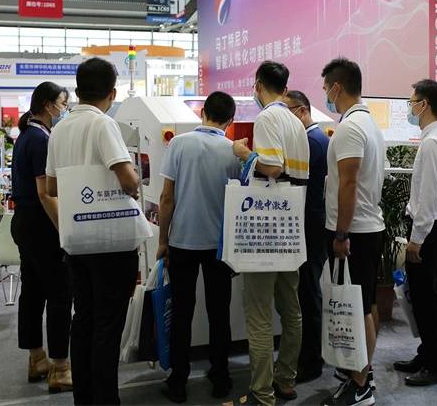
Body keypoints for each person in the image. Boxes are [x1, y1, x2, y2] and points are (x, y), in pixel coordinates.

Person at [45, 58, 141, 405]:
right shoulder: (103, 124)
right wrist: (131, 177)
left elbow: (52, 187)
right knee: (107, 326)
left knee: (83, 320)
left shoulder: (60, 128)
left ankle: (84, 398)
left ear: (77, 90)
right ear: (112, 93)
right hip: (110, 241)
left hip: (76, 240)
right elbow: (129, 181)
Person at [232, 61, 310, 406]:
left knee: (260, 315)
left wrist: (245, 154)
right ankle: (286, 380)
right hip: (292, 228)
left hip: (266, 230)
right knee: (291, 310)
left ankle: (262, 393)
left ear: (258, 85)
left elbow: (273, 167)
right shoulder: (296, 122)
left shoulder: (266, 119)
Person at [156, 91, 240, 404]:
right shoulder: (233, 150)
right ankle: (221, 377)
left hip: (182, 242)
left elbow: (167, 197)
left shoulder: (179, 144)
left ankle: (178, 381)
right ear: (230, 120)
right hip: (219, 245)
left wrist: (163, 240)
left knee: (181, 312)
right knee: (219, 312)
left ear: (202, 111)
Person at [320, 58, 385, 406]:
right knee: (365, 304)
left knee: (357, 309)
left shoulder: (350, 128)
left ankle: (360, 385)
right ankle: (363, 372)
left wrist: (341, 234)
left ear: (337, 87)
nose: (326, 96)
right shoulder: (368, 123)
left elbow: (348, 183)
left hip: (355, 230)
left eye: (326, 89)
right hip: (367, 226)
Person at [393, 80, 437, 387]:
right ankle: (428, 353)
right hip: (436, 228)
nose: (410, 108)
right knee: (424, 297)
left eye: (412, 102)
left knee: (428, 300)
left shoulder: (434, 142)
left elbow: (428, 197)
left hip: (431, 230)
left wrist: (416, 239)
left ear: (424, 105)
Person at [10, 82, 72, 394]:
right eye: (63, 103)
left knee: (33, 292)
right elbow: (46, 193)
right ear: (48, 105)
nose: (65, 109)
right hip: (41, 225)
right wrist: (65, 230)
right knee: (60, 294)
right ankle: (60, 368)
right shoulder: (40, 140)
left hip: (25, 222)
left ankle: (37, 358)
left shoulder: (27, 135)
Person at [283, 90, 329, 383]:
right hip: (315, 224)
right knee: (309, 291)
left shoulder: (311, 142)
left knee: (308, 293)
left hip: (310, 226)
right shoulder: (320, 138)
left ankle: (311, 361)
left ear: (302, 111)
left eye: (287, 113)